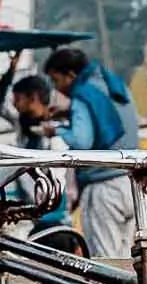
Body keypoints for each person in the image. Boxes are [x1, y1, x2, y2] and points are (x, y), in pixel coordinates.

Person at [45, 45, 140, 258]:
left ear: (71, 75)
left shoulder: (83, 95)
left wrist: (57, 129)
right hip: (130, 182)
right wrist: (70, 111)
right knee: (125, 259)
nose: (58, 89)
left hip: (104, 188)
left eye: (57, 80)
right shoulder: (112, 83)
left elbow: (82, 141)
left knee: (104, 259)